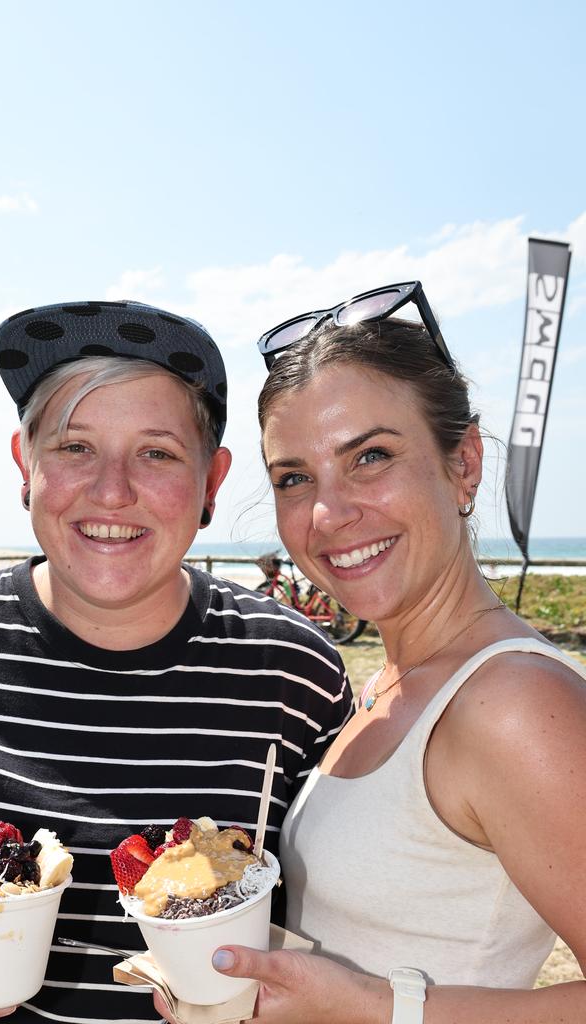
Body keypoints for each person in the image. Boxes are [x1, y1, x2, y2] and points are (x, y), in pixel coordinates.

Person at [0, 300, 354, 1024]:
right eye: (75, 447)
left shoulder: (297, 671)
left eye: (157, 453)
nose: (111, 490)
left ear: (212, 481)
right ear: (25, 463)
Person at [171, 281, 586, 1023]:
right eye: (294, 478)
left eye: (370, 457)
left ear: (464, 464)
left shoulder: (514, 704)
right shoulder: (389, 686)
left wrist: (376, 1006)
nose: (328, 513)